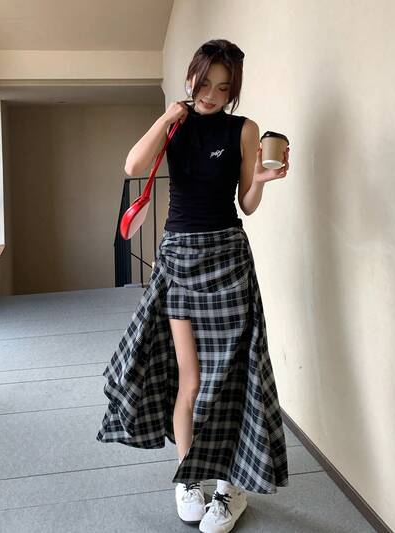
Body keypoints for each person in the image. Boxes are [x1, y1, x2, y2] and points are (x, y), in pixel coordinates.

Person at [97, 38, 290, 533]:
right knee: (192, 380)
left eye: (224, 88)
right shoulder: (175, 123)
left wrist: (260, 181)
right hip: (180, 260)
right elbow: (132, 166)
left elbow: (246, 204)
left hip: (228, 259)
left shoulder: (243, 129)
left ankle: (230, 489)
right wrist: (167, 117)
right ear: (191, 77)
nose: (212, 95)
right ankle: (189, 479)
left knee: (232, 379)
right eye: (205, 83)